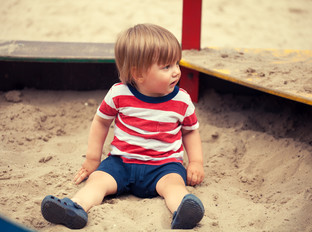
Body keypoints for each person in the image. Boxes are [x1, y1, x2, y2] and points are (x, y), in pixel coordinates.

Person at [41, 23, 205, 230]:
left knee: (174, 186)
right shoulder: (119, 94)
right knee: (98, 181)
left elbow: (190, 130)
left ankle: (183, 211)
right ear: (138, 74)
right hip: (121, 163)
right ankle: (75, 208)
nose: (176, 72)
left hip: (164, 166)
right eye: (166, 67)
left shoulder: (182, 100)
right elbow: (101, 121)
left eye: (176, 64)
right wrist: (93, 159)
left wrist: (196, 162)